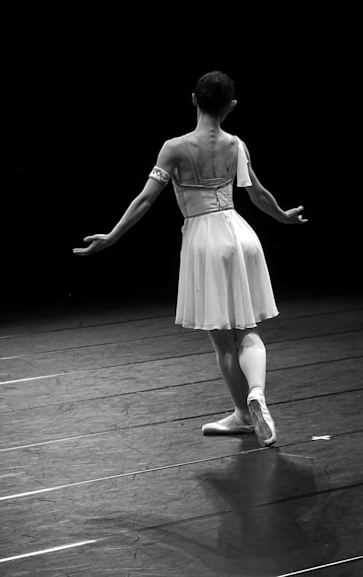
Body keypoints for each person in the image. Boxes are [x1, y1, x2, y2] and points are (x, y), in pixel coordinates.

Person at [73, 71, 306, 447]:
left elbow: (145, 199)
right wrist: (284, 217)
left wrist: (112, 236)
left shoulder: (175, 147)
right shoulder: (236, 145)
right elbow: (259, 194)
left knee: (223, 341)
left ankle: (245, 414)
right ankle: (257, 393)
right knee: (248, 330)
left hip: (205, 239)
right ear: (231, 106)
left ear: (193, 99)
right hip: (242, 234)